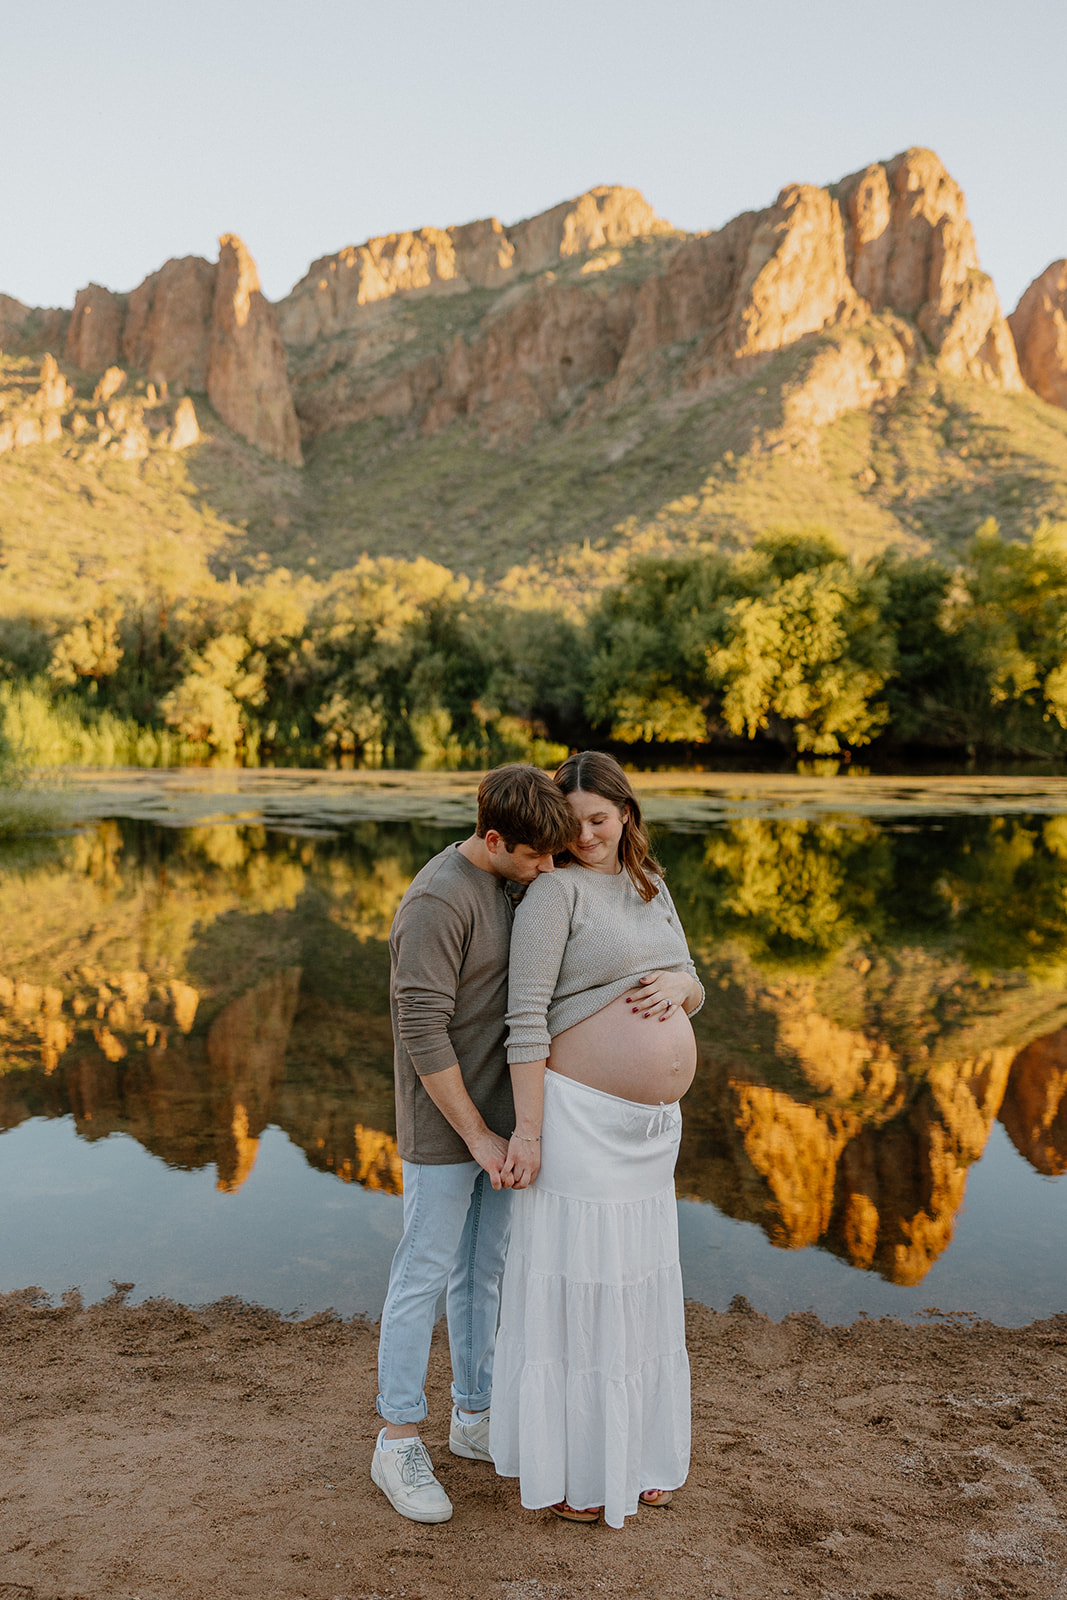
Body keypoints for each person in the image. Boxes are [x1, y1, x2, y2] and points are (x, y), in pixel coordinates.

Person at [490, 751, 704, 1528]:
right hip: (578, 1120)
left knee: (637, 1284)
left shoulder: (651, 883)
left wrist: (684, 988)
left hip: (649, 1133)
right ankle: (578, 1470)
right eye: (572, 822)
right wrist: (530, 1132)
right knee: (584, 1285)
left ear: (624, 814)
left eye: (598, 820)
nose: (584, 836)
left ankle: (639, 1454)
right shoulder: (552, 895)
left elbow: (690, 978)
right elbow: (523, 1023)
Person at [371, 764, 579, 1525]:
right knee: (422, 1271)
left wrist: (513, 1130)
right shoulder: (435, 901)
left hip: (500, 1126)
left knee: (482, 1273)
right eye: (534, 857)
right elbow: (420, 1033)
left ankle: (473, 1416)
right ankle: (396, 1439)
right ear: (493, 840)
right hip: (447, 1126)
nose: (545, 871)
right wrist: (479, 1135)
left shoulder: (511, 879)